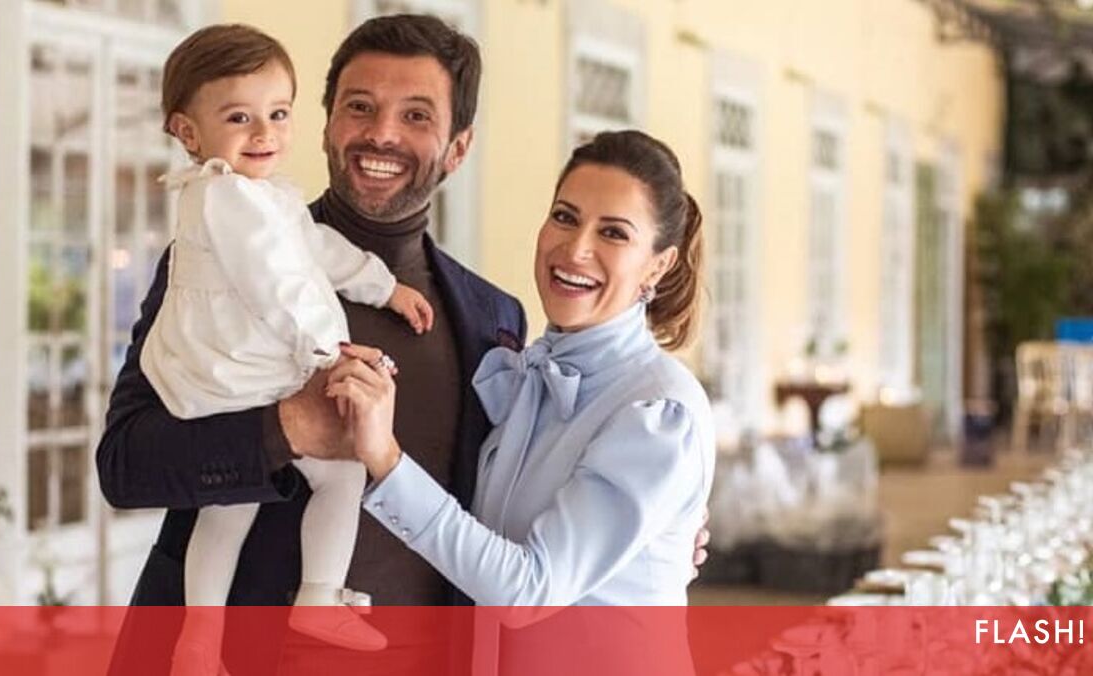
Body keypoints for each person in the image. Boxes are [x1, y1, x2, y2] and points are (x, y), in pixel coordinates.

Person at [97, 14, 708, 675]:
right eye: (360, 107)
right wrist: (285, 428)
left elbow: (528, 508)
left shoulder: (492, 320)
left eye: (417, 115)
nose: (382, 133)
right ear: (327, 124)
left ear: (458, 147)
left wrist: (657, 532)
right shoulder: (219, 263)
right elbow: (125, 466)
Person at [320, 130, 714, 674]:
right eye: (565, 217)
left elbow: (529, 590)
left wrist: (385, 458)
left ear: (658, 265)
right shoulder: (527, 374)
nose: (575, 248)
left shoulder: (658, 412)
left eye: (614, 233)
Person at [140, 24, 437, 668]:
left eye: (277, 114)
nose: (263, 133)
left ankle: (200, 641)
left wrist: (383, 287)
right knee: (338, 475)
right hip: (240, 376)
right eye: (239, 118)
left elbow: (315, 249)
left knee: (228, 513)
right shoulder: (224, 197)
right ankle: (316, 596)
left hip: (235, 375)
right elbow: (278, 283)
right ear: (188, 132)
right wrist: (330, 352)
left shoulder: (263, 196)